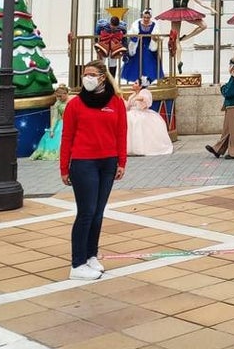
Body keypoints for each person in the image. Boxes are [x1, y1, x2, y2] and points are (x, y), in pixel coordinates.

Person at [60, 61, 127, 281]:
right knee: (86, 212)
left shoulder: (116, 102)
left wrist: (121, 162)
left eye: (92, 74)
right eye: (84, 74)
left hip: (107, 163)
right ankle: (77, 263)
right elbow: (67, 136)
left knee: (98, 213)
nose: (87, 78)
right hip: (83, 162)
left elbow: (121, 133)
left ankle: (90, 255)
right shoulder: (75, 104)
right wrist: (64, 167)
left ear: (102, 77)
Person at [156, 0, 215, 73]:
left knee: (203, 25)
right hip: (176, 13)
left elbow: (200, 2)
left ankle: (187, 37)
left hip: (187, 12)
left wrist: (210, 9)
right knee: (175, 37)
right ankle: (179, 61)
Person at [126, 77, 173, 156]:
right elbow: (128, 106)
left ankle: (140, 147)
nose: (133, 84)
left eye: (136, 83)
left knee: (137, 122)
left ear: (140, 86)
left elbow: (146, 100)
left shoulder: (144, 92)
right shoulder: (132, 96)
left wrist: (140, 99)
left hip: (141, 113)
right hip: (132, 113)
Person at [121, 8, 162, 83]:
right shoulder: (136, 24)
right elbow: (131, 33)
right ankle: (137, 80)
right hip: (138, 46)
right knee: (136, 63)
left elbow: (159, 36)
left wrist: (155, 38)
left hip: (149, 47)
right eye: (145, 17)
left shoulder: (154, 25)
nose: (146, 19)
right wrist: (134, 37)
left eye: (148, 17)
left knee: (149, 63)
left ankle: (147, 80)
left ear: (150, 17)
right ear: (142, 16)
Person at [31, 84, 69, 160]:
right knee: (53, 136)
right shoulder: (58, 104)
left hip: (71, 123)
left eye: (60, 96)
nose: (59, 98)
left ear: (65, 94)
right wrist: (52, 129)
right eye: (58, 96)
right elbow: (55, 117)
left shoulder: (72, 102)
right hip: (62, 123)